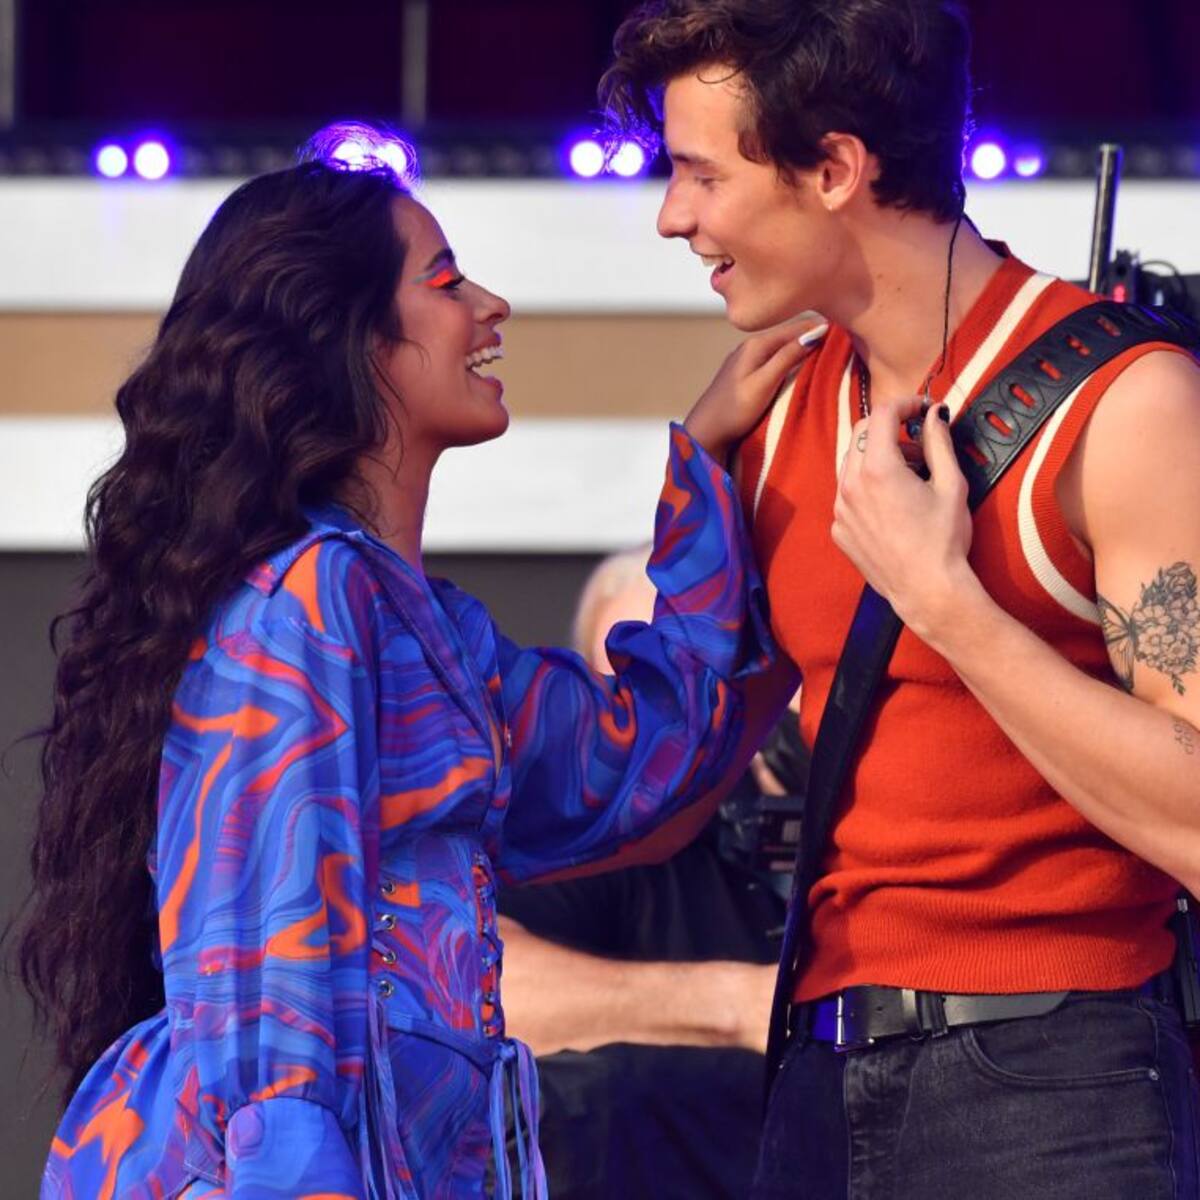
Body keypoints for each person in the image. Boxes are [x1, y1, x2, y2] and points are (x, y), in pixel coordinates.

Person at [15, 123, 820, 1198]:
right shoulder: (305, 600)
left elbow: (638, 764)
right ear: (349, 342)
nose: (491, 304)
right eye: (445, 282)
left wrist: (711, 464)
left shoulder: (420, 627)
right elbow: (270, 984)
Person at [602, 2, 1200, 1196]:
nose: (672, 216)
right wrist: (694, 482)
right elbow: (660, 795)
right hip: (816, 1073)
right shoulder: (774, 411)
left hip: (1056, 1083)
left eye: (700, 174)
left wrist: (947, 604)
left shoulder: (1127, 404)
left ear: (834, 168)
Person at [496, 545, 800, 1199]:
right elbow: (482, 991)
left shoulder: (837, 807)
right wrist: (740, 1004)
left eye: (694, 684)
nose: (668, 730)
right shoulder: (591, 828)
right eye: (631, 695)